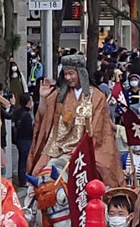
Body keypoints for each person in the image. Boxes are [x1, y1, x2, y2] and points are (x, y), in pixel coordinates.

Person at [27, 53, 125, 189]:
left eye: (71, 74)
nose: (68, 78)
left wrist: (81, 149)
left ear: (81, 72)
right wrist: (43, 98)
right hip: (56, 147)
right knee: (38, 172)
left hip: (84, 149)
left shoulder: (97, 96)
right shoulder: (58, 95)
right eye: (65, 74)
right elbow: (45, 120)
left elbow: (98, 129)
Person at [11, 93, 35, 188]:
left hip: (19, 139)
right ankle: (23, 181)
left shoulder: (17, 112)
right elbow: (30, 130)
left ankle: (23, 179)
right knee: (24, 161)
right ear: (27, 102)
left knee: (22, 160)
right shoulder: (27, 115)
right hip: (26, 140)